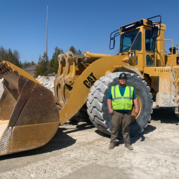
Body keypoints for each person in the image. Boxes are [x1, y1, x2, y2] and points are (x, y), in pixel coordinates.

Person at [107, 73, 139, 150]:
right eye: (121, 79)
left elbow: (135, 98)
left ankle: (127, 143)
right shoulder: (114, 89)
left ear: (126, 80)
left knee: (126, 128)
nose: (122, 80)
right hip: (116, 112)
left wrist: (137, 108)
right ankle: (112, 143)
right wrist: (110, 108)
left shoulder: (130, 89)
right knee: (115, 128)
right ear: (119, 80)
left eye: (124, 79)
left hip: (127, 112)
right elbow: (109, 98)